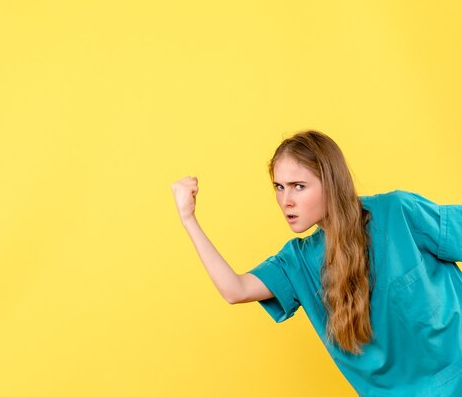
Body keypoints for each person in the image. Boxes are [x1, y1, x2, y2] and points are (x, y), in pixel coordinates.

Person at [171, 130, 462, 396]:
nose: (286, 201)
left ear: (331, 183)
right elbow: (235, 289)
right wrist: (188, 218)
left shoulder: (397, 212)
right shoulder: (298, 262)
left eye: (298, 186)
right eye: (279, 187)